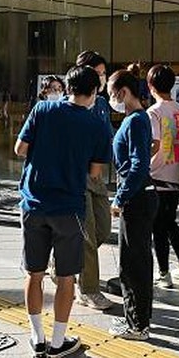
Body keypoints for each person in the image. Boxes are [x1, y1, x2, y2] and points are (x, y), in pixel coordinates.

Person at [14, 65, 111, 358]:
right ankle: (57, 343)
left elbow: (20, 148)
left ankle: (36, 336)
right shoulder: (98, 125)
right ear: (94, 92)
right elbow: (94, 173)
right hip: (69, 208)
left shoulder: (42, 110)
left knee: (34, 272)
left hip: (34, 204)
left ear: (67, 88)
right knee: (67, 277)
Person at [107, 69, 158, 341]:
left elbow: (139, 165)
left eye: (112, 94)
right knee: (136, 261)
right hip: (140, 196)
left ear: (124, 92)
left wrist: (120, 197)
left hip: (137, 199)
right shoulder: (135, 118)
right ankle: (138, 321)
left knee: (133, 264)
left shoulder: (137, 120)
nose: (111, 99)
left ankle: (138, 326)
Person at [145, 64, 179, 289]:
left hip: (157, 174)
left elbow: (154, 144)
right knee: (169, 222)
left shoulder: (153, 112)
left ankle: (164, 272)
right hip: (176, 173)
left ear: (150, 86)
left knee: (160, 225)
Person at [73, 50, 114, 310]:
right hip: (78, 175)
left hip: (97, 175)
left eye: (103, 74)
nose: (102, 79)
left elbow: (107, 134)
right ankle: (88, 289)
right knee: (87, 233)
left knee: (102, 229)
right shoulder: (72, 103)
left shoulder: (100, 103)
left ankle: (61, 261)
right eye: (98, 74)